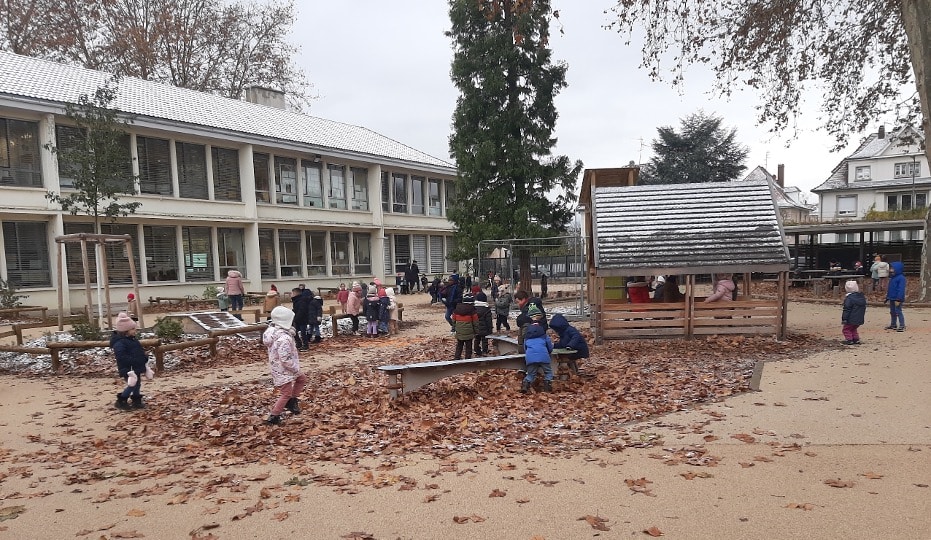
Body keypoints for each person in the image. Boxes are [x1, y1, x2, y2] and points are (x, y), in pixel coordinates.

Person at [263, 305, 306, 425]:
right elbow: (285, 358)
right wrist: (294, 368)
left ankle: (292, 401)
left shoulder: (273, 332)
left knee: (301, 379)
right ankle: (274, 416)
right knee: (285, 393)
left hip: (279, 367)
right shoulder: (284, 338)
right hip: (284, 369)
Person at [111, 312, 153, 410]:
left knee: (137, 384)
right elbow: (121, 356)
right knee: (132, 385)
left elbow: (138, 351)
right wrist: (134, 361)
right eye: (133, 329)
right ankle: (122, 400)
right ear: (126, 331)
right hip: (128, 368)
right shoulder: (120, 343)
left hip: (136, 367)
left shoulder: (133, 340)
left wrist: (144, 358)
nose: (135, 331)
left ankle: (136, 400)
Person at [520, 304, 554, 394]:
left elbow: (525, 348)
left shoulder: (527, 338)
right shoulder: (543, 335)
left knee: (531, 374)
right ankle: (547, 385)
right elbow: (549, 347)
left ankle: (525, 384)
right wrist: (549, 351)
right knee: (548, 372)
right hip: (543, 356)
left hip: (531, 357)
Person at [452, 293, 478, 359]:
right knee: (468, 347)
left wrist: (454, 328)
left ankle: (457, 358)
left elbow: (453, 320)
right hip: (469, 332)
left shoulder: (456, 309)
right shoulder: (473, 311)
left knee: (459, 345)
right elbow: (476, 323)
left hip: (459, 331)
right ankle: (468, 359)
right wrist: (476, 332)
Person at [841, 280, 866, 345]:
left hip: (850, 318)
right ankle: (856, 339)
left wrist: (844, 319)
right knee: (853, 328)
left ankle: (849, 339)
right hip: (859, 318)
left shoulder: (849, 298)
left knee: (846, 329)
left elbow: (847, 309)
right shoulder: (861, 297)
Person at [885, 261, 906, 332]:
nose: (890, 269)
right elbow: (890, 288)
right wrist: (888, 297)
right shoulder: (892, 277)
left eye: (892, 268)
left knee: (898, 311)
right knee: (892, 311)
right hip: (892, 297)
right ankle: (893, 324)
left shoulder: (901, 278)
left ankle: (902, 325)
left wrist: (899, 298)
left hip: (897, 298)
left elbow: (901, 289)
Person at [473, 291, 493, 356]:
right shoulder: (487, 309)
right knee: (485, 340)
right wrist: (490, 329)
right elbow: (488, 320)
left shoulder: (473, 308)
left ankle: (476, 350)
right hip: (484, 328)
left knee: (477, 339)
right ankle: (484, 351)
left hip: (476, 327)